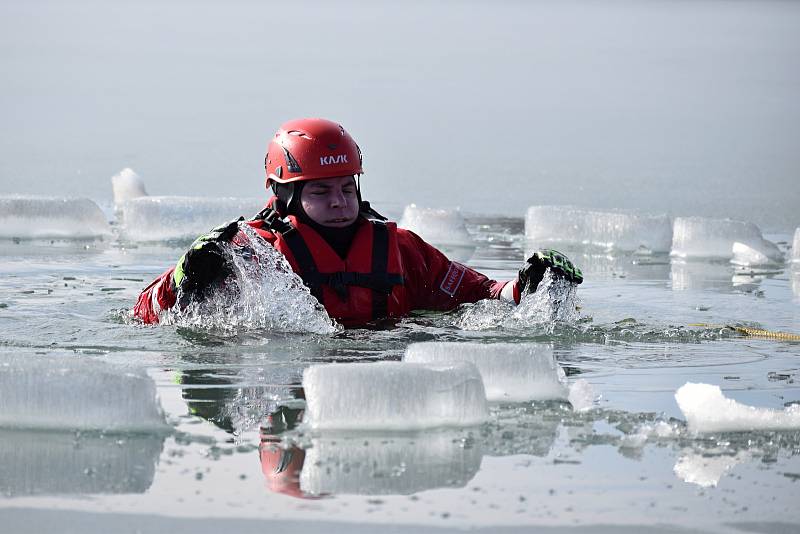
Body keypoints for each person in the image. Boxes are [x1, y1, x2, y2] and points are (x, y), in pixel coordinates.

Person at [133, 118, 582, 327]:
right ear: (284, 195)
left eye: (347, 188)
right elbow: (144, 312)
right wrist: (183, 276)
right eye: (321, 191)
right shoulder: (249, 251)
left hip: (378, 380)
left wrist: (530, 284)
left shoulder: (400, 246)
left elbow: (479, 293)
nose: (339, 202)